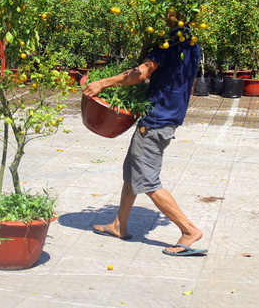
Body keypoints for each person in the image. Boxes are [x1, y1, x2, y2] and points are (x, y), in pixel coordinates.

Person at [82, 14, 205, 256]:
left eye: (167, 10)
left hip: (156, 120)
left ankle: (188, 230)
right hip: (169, 115)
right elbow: (187, 82)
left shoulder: (170, 40)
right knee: (132, 172)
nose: (162, 14)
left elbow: (141, 72)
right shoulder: (192, 40)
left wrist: (103, 83)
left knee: (148, 181)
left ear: (177, 13)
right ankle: (119, 225)